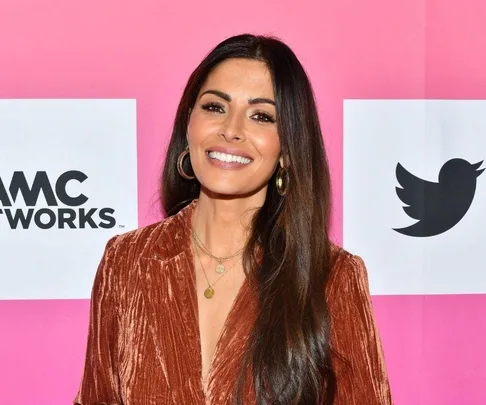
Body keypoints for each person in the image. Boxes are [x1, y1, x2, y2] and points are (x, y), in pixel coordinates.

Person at [74, 33, 393, 405]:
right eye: (214, 107)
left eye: (261, 115)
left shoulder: (332, 275)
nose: (231, 129)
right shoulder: (127, 260)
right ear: (188, 124)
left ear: (287, 149)